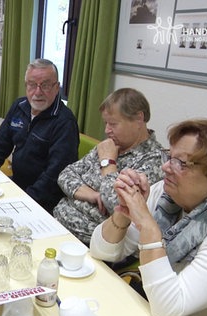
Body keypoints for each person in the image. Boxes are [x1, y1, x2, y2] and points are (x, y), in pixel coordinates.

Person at [90, 118, 207, 316]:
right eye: (169, 157)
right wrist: (124, 211)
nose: (165, 168)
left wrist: (148, 225)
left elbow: (169, 308)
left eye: (181, 163)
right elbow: (101, 250)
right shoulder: (168, 196)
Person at [53, 88, 164, 245]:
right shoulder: (111, 144)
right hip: (58, 222)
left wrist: (108, 163)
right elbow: (66, 174)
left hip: (90, 243)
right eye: (106, 123)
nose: (106, 130)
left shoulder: (153, 160)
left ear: (139, 118)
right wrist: (92, 194)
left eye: (113, 124)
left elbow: (118, 205)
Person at [0, 58, 79, 213]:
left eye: (45, 85)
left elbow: (54, 175)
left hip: (44, 200)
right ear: (26, 86)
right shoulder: (19, 106)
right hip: (17, 185)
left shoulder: (64, 122)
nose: (37, 92)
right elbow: (0, 145)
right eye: (32, 85)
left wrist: (24, 201)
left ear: (57, 88)